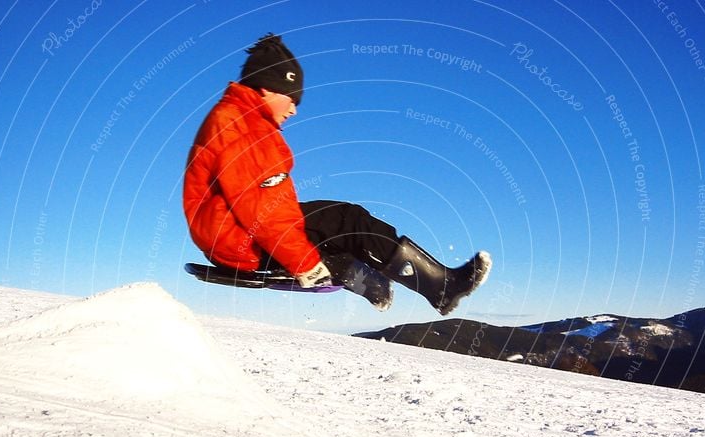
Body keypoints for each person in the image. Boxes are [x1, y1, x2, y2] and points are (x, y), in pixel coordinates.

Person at [183, 33, 490, 314]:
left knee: (330, 226)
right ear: (269, 86)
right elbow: (264, 209)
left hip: (226, 236)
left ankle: (375, 285)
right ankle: (441, 286)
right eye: (292, 98)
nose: (294, 110)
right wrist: (304, 265)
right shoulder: (246, 126)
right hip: (239, 239)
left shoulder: (234, 117)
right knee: (347, 219)